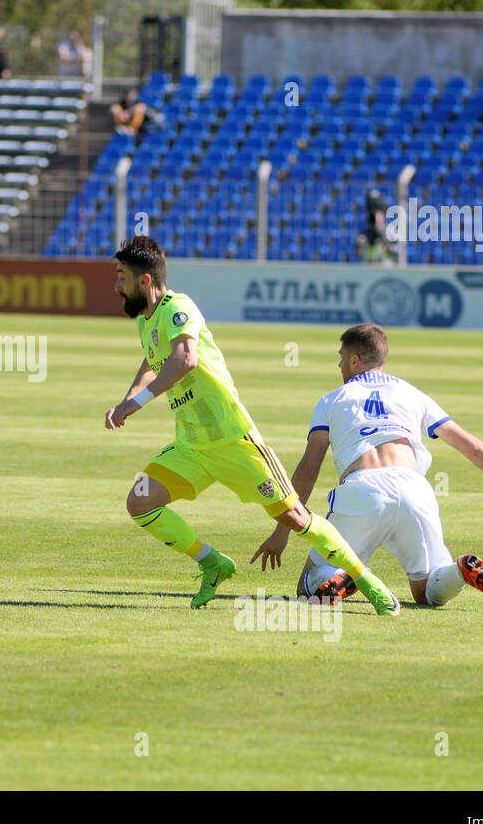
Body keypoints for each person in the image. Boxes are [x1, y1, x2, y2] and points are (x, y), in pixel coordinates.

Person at [103, 237, 400, 614]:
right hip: (192, 446)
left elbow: (185, 359)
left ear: (145, 281)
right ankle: (212, 562)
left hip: (234, 440)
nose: (116, 286)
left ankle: (367, 579)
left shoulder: (178, 307)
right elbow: (153, 359)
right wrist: (127, 399)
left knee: (294, 517)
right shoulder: (147, 323)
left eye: (122, 277)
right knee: (140, 502)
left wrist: (136, 403)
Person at [250, 324, 483, 607]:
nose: (339, 366)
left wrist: (283, 531)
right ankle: (461, 570)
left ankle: (339, 577)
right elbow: (469, 445)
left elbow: (308, 467)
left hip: (362, 490)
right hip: (414, 489)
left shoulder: (332, 400)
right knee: (427, 590)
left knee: (307, 588)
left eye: (341, 358)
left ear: (354, 360)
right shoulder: (411, 393)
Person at [357, 190, 394, 264]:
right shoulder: (366, 233)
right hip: (369, 267)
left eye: (379, 212)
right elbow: (359, 253)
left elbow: (396, 251)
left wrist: (382, 237)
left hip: (386, 266)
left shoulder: (390, 231)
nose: (375, 216)